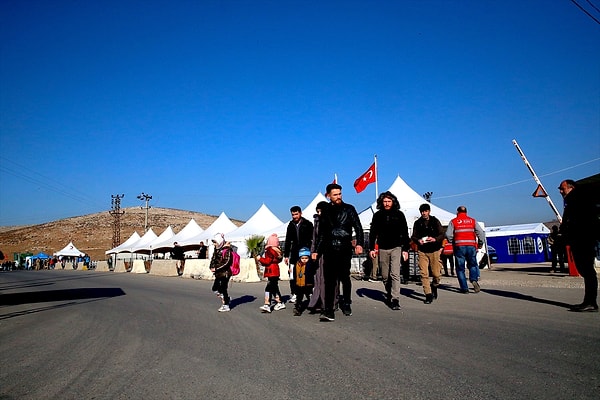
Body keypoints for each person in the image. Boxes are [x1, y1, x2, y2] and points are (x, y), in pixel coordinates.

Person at [313, 183, 364, 321]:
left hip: (344, 249)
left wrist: (359, 243)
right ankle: (329, 310)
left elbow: (358, 228)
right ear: (328, 196)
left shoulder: (349, 209)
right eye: (335, 195)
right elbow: (322, 234)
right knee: (329, 281)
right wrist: (316, 251)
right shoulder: (326, 211)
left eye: (340, 194)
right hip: (329, 250)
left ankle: (346, 302)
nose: (338, 197)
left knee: (345, 278)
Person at [558, 179, 598, 312]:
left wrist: (568, 229)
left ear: (571, 187)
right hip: (579, 238)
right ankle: (589, 301)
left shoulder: (578, 199)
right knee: (584, 270)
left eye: (562, 188)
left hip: (583, 238)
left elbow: (579, 220)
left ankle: (591, 302)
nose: (560, 191)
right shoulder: (572, 200)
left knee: (587, 270)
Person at [368, 191, 410, 310]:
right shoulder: (377, 215)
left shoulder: (399, 215)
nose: (386, 203)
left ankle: (395, 298)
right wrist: (372, 248)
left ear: (393, 202)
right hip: (382, 248)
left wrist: (405, 249)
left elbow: (405, 233)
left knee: (395, 274)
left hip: (396, 247)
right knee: (385, 275)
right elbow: (372, 233)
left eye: (389, 201)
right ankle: (389, 292)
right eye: (385, 201)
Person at [446, 206, 486, 294]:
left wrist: (452, 241)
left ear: (457, 212)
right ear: (466, 212)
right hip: (471, 246)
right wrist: (480, 243)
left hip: (459, 246)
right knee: (472, 264)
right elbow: (481, 232)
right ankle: (474, 280)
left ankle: (464, 288)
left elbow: (448, 234)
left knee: (460, 268)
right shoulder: (472, 221)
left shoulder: (454, 221)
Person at [307, 201, 338, 313]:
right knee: (319, 278)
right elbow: (315, 239)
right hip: (318, 254)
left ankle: (330, 303)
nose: (319, 213)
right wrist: (313, 251)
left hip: (330, 252)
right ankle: (318, 301)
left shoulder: (332, 220)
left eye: (321, 211)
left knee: (328, 279)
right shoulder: (316, 221)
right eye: (318, 211)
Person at [411, 203, 445, 304]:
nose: (424, 213)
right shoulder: (417, 223)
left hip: (434, 250)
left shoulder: (435, 221)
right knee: (424, 274)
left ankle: (434, 286)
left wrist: (435, 239)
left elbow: (442, 234)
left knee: (436, 274)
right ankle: (428, 294)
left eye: (425, 211)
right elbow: (414, 236)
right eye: (422, 212)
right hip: (422, 251)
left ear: (429, 211)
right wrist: (418, 241)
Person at [283, 206, 314, 304]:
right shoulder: (290, 225)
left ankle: (309, 292)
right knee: (292, 274)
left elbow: (313, 239)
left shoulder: (308, 224)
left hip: (306, 252)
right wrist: (286, 255)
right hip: (295, 253)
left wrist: (312, 251)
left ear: (301, 213)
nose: (294, 216)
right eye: (293, 214)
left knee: (308, 273)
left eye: (296, 214)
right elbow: (288, 240)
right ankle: (295, 293)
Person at [257, 233, 286, 313]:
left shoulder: (270, 251)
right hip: (275, 269)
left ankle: (267, 304)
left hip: (271, 270)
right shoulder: (278, 251)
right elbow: (277, 260)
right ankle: (279, 302)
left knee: (269, 288)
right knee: (274, 287)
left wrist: (260, 259)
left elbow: (267, 261)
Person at [209, 233, 233, 312]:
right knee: (215, 288)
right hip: (218, 272)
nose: (214, 244)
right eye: (213, 242)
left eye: (215, 242)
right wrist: (211, 266)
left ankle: (226, 305)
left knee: (223, 289)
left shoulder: (227, 250)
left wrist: (216, 268)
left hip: (225, 273)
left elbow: (227, 262)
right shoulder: (217, 249)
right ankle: (226, 299)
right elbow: (213, 259)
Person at [292, 247, 315, 316]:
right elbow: (295, 274)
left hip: (308, 284)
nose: (304, 260)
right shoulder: (297, 265)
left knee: (310, 296)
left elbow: (312, 273)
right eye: (302, 258)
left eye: (306, 258)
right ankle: (298, 309)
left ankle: (313, 306)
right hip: (299, 284)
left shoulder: (310, 265)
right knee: (299, 297)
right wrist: (294, 283)